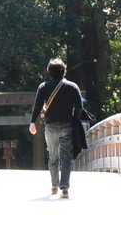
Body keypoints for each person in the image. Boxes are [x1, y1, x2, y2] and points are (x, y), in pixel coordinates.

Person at [28, 56, 85, 199]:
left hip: (50, 126)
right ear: (64, 71)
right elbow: (79, 107)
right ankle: (64, 188)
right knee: (66, 157)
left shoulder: (43, 87)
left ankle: (54, 185)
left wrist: (32, 122)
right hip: (67, 125)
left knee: (53, 156)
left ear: (49, 71)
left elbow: (38, 105)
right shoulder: (72, 87)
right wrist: (75, 120)